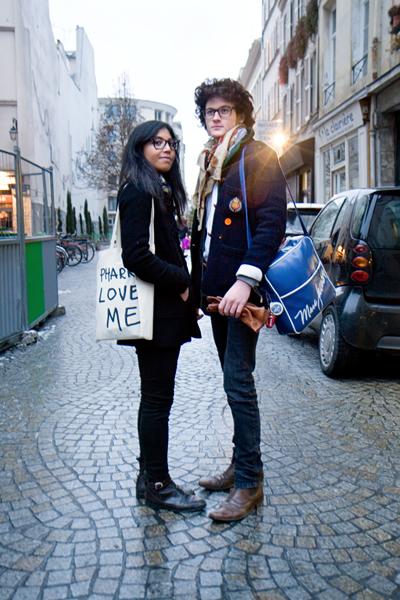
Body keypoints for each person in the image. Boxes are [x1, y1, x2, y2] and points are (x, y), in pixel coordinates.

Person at [191, 78, 287, 521]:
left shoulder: (257, 157)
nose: (216, 116)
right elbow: (202, 233)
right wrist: (197, 286)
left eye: (224, 110)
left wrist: (244, 282)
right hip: (215, 295)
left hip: (240, 295)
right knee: (234, 386)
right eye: (210, 110)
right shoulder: (211, 161)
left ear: (241, 114)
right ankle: (238, 466)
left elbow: (270, 225)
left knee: (238, 383)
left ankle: (250, 482)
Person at [118, 120, 205, 512]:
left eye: (171, 143)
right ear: (141, 147)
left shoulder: (158, 189)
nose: (167, 148)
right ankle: (158, 484)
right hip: (155, 314)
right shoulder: (139, 189)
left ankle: (146, 477)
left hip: (161, 313)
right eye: (158, 142)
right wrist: (181, 280)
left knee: (155, 398)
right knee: (156, 400)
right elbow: (135, 255)